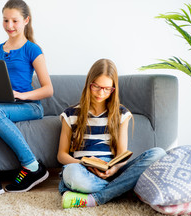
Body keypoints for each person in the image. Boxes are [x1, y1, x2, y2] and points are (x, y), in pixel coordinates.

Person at [0, 0, 53, 198]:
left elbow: (48, 89)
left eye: (14, 21)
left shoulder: (32, 49)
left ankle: (33, 166)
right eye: (5, 21)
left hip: (28, 105)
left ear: (26, 20)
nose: (10, 26)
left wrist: (21, 95)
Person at [57, 58, 166, 208]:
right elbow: (61, 155)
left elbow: (122, 154)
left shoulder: (121, 114)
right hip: (84, 172)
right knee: (72, 174)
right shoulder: (70, 114)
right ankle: (122, 188)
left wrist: (113, 169)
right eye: (96, 87)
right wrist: (84, 163)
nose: (101, 93)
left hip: (112, 173)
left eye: (107, 89)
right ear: (89, 83)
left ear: (113, 89)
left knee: (158, 153)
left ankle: (97, 198)